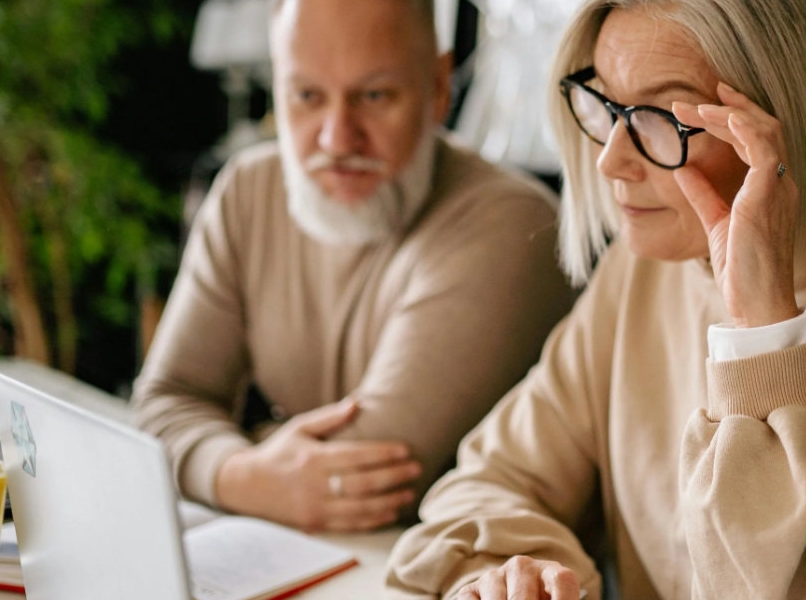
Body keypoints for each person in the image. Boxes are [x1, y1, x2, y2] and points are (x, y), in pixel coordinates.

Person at [384, 0, 806, 598]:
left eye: (662, 117)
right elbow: (489, 481)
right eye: (606, 106)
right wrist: (518, 573)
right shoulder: (645, 269)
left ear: (798, 121)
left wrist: (762, 331)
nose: (611, 161)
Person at [131, 0, 575, 533]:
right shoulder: (248, 191)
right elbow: (161, 403)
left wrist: (228, 451)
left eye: (374, 95)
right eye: (307, 96)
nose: (337, 139)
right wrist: (243, 473)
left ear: (438, 88)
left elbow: (371, 477)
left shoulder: (513, 224)